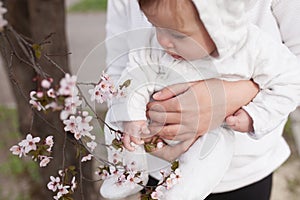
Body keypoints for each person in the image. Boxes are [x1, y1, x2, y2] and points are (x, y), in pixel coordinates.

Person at [103, 0, 300, 199]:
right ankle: (128, 173)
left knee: (210, 152)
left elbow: (291, 79)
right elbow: (129, 73)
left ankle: (182, 193)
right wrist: (134, 117)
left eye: (179, 35)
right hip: (155, 153)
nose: (163, 41)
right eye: (155, 26)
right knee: (119, 111)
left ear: (217, 27)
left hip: (241, 168)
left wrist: (253, 114)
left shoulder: (251, 49)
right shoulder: (152, 46)